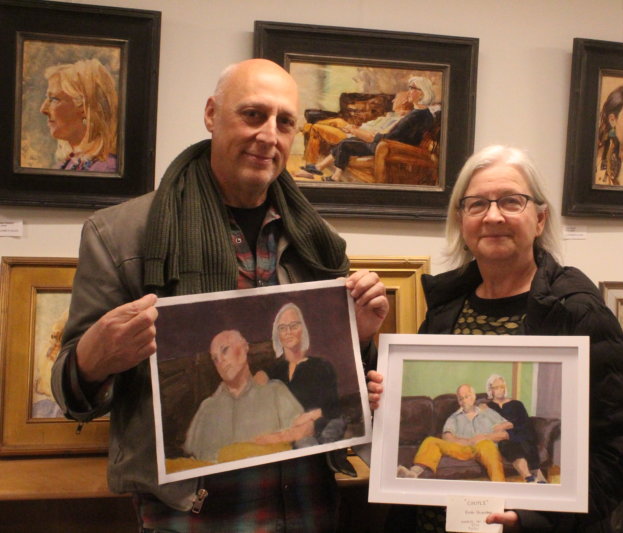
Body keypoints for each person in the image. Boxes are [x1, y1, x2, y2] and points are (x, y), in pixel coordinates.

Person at [51, 58, 388, 533]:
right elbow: (70, 393)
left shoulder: (319, 240)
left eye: (284, 122)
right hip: (192, 514)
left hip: (307, 506)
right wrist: (94, 358)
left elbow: (332, 381)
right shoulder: (120, 236)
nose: (269, 135)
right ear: (212, 114)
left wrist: (363, 338)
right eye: (253, 115)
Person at [368, 145, 623, 532]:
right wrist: (380, 395)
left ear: (539, 218)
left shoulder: (577, 311)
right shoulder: (447, 306)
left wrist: (540, 520)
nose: (493, 216)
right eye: (477, 204)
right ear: (461, 219)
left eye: (511, 202)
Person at [184, 330, 314, 462]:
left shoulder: (275, 392)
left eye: (225, 351)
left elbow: (306, 433)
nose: (220, 361)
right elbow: (191, 458)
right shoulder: (207, 408)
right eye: (215, 359)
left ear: (244, 347)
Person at [304, 76, 437, 183]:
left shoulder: (417, 115)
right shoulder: (418, 113)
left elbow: (392, 137)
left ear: (422, 93)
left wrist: (361, 133)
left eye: (412, 88)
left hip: (391, 146)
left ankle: (331, 174)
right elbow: (394, 132)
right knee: (348, 140)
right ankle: (325, 171)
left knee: (346, 142)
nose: (409, 92)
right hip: (388, 142)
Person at [396, 384, 511, 482]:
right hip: (462, 448)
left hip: (485, 446)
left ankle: (499, 487)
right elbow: (447, 438)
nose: (464, 401)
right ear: (458, 401)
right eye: (461, 398)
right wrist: (469, 441)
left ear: (474, 396)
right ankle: (412, 474)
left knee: (487, 445)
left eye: (467, 396)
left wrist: (484, 437)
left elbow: (505, 433)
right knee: (431, 441)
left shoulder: (487, 412)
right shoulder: (454, 417)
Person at [267, 302, 346, 444]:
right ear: (277, 334)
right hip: (279, 438)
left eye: (294, 326)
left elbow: (334, 410)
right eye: (282, 328)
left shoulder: (322, 366)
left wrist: (311, 416)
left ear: (302, 329)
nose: (288, 332)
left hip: (314, 437)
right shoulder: (272, 371)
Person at [297, 91, 414, 173]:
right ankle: (305, 128)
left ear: (404, 101)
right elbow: (371, 127)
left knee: (316, 128)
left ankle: (310, 164)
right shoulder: (390, 115)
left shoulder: (399, 120)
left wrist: (354, 130)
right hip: (358, 131)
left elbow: (375, 135)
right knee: (336, 120)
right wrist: (356, 127)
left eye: (396, 98)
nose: (393, 100)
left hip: (358, 137)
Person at [39, 58, 118, 172]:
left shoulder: (107, 168)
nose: (43, 109)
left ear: (85, 108)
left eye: (54, 99)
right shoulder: (69, 163)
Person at [485, 374, 546, 484]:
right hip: (503, 440)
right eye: (496, 387)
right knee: (510, 445)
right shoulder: (488, 407)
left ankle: (534, 476)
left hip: (521, 434)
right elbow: (488, 427)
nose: (500, 390)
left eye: (502, 386)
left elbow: (526, 425)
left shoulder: (517, 404)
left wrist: (511, 428)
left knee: (523, 441)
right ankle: (530, 478)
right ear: (490, 390)